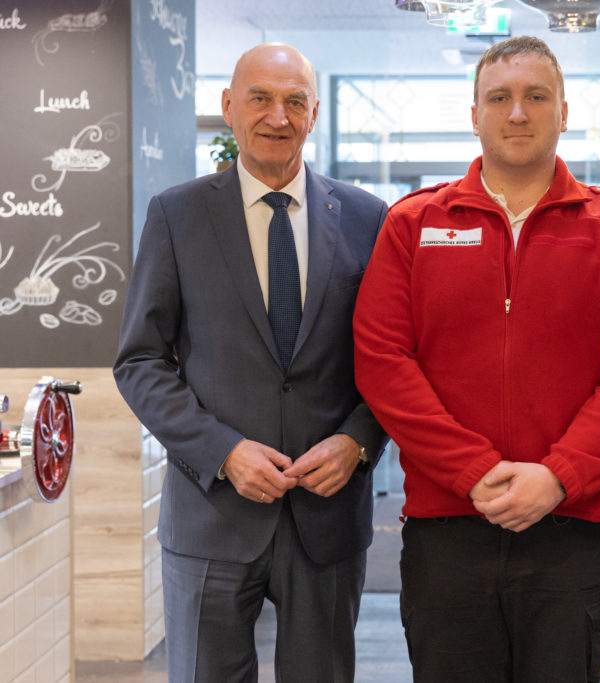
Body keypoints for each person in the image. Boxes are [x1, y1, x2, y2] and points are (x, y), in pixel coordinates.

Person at [353, 35, 600, 682]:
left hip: (573, 528)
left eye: (536, 96)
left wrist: (558, 476)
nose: (518, 112)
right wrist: (471, 470)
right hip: (448, 529)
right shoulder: (413, 224)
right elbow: (382, 359)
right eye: (499, 98)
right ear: (475, 115)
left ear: (563, 112)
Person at [113, 43, 388, 682]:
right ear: (229, 106)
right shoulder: (176, 215)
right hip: (211, 516)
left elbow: (394, 358)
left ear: (314, 113)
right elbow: (140, 360)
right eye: (260, 98)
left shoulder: (367, 218)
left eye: (295, 101)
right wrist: (223, 452)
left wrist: (358, 441)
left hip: (327, 518)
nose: (277, 116)